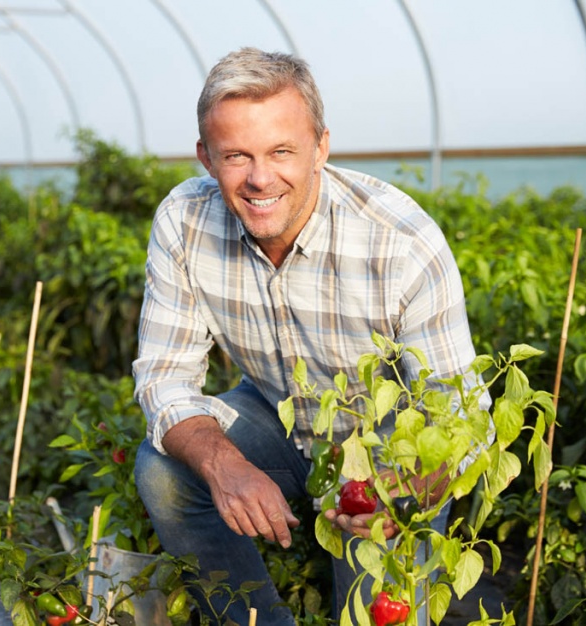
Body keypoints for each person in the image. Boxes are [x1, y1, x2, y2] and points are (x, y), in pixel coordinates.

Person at [132, 47, 487, 625]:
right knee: (163, 467)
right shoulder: (184, 221)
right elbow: (164, 376)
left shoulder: (400, 243)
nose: (260, 178)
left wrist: (398, 488)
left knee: (373, 613)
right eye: (235, 156)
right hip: (279, 414)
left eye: (281, 151)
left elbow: (461, 414)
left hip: (386, 458)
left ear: (321, 146)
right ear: (204, 157)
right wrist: (227, 466)